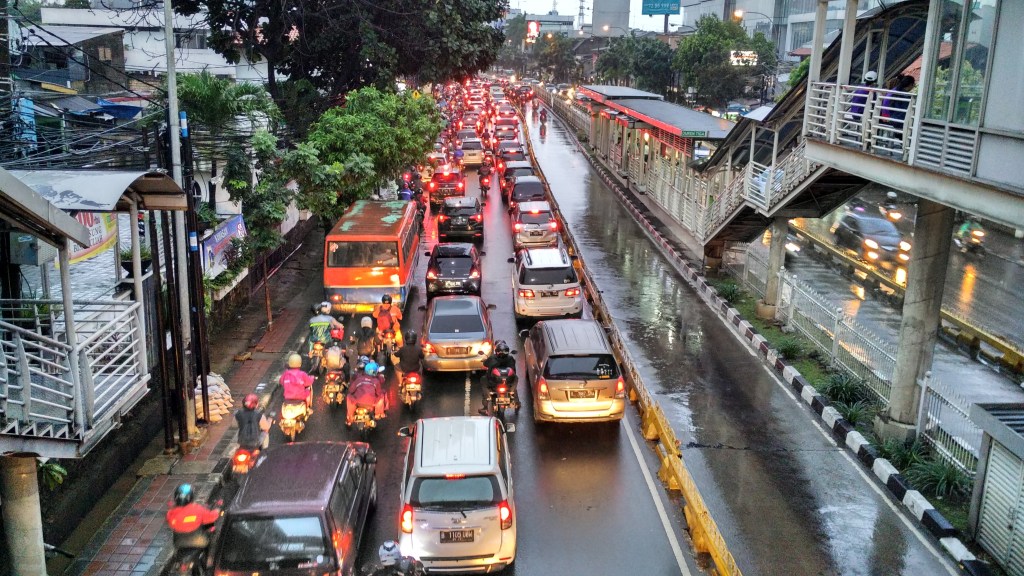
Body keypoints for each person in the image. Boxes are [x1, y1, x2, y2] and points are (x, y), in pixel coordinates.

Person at [478, 340, 518, 414]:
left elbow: (485, 364)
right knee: (515, 378)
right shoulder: (510, 358)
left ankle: (486, 402)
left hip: (493, 383)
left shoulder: (492, 357)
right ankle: (515, 399)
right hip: (508, 383)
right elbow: (514, 370)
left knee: (483, 379)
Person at [347, 362, 386, 426]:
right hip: (371, 403)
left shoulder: (359, 379)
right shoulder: (376, 381)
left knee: (349, 396)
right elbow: (378, 393)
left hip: (357, 402)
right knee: (381, 396)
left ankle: (350, 415)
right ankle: (378, 414)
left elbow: (351, 390)